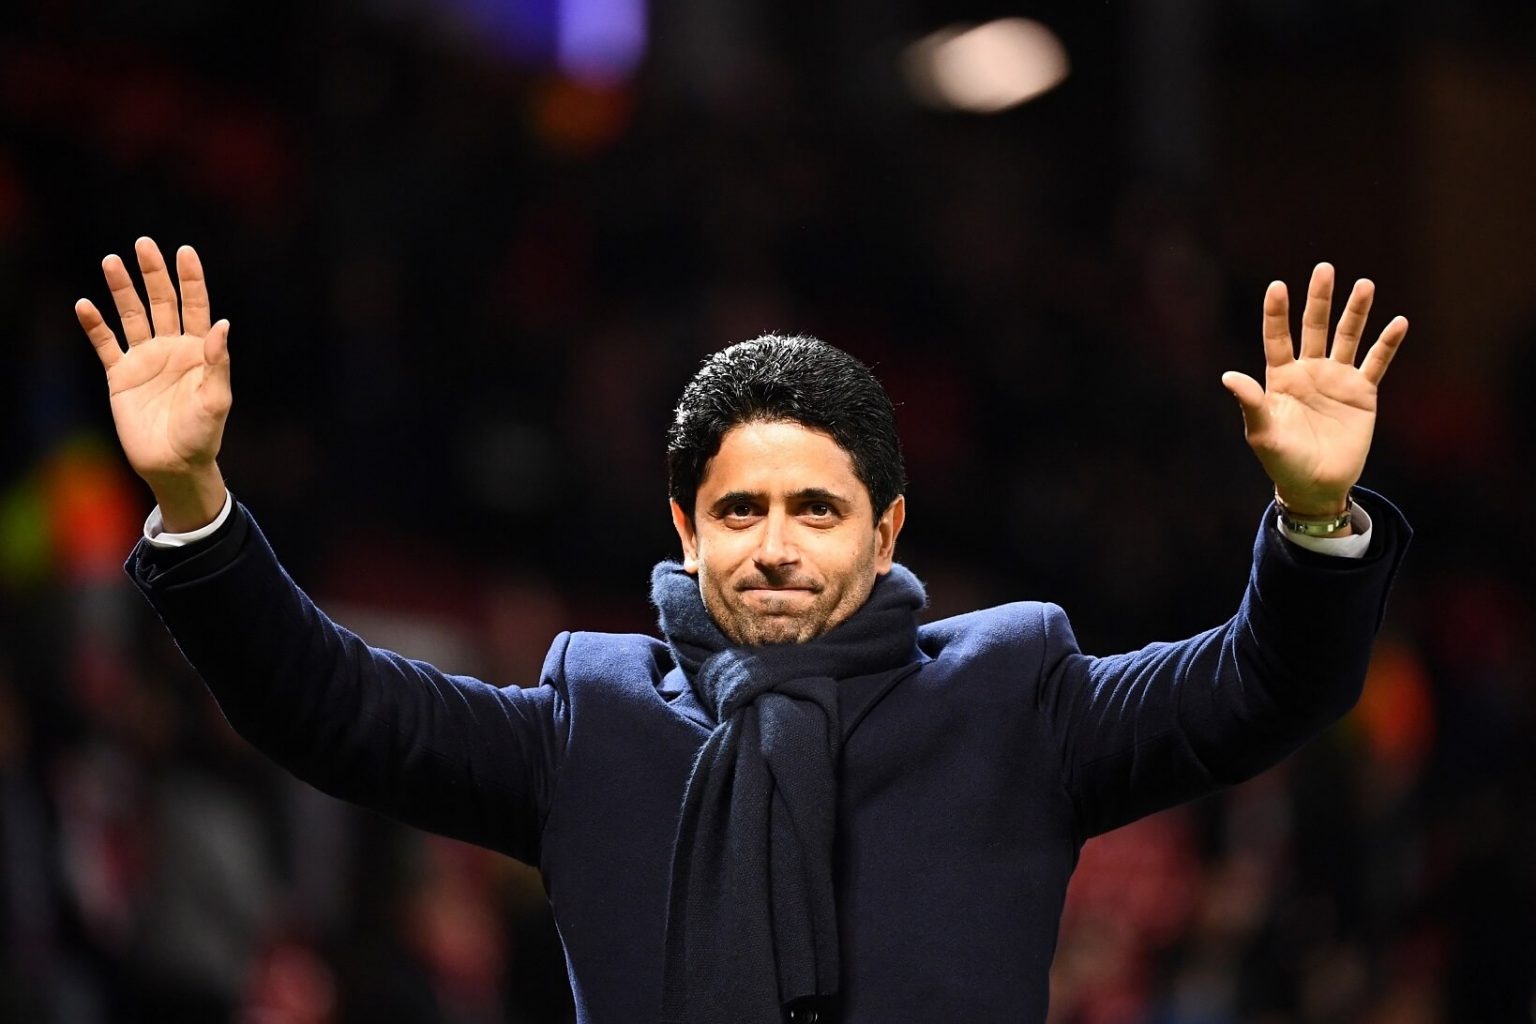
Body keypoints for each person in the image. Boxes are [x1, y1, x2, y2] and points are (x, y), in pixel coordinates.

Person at [76, 238, 1410, 1024]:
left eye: (817, 508)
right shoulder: (589, 721)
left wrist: (1312, 515)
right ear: (685, 529)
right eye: (740, 509)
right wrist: (194, 500)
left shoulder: (1017, 698)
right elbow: (331, 707)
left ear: (886, 532)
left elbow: (1264, 686)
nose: (776, 544)